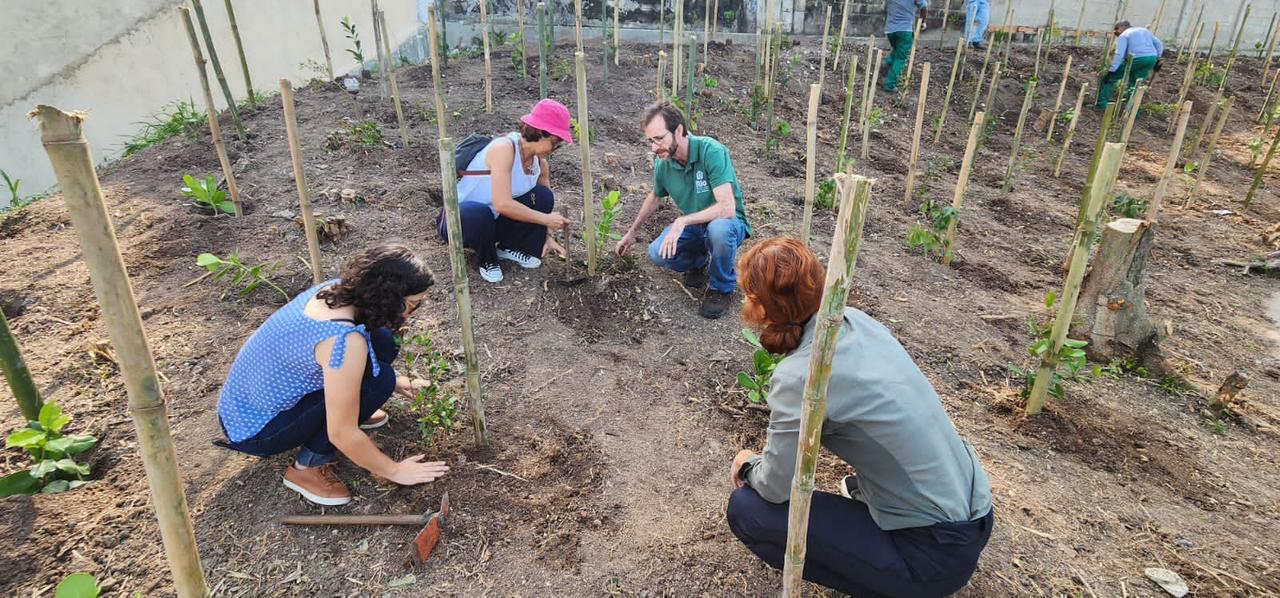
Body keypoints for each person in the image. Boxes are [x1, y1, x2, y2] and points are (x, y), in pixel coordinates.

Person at [725, 238, 994, 597]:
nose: (744, 303)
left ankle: (890, 581)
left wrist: (747, 465)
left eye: (748, 296)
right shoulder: (858, 322)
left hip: (932, 554)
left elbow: (774, 486)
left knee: (748, 509)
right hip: (975, 512)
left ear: (761, 308)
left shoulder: (802, 374)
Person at [217, 245, 449, 506]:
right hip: (257, 429)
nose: (412, 313)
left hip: (240, 407)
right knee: (378, 381)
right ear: (389, 299)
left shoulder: (336, 291)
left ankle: (354, 406)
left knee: (383, 341)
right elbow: (342, 432)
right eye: (413, 305)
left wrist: (397, 381)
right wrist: (395, 471)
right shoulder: (344, 341)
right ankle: (307, 467)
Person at [614, 102, 752, 319]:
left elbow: (727, 208)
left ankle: (722, 287)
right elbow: (655, 196)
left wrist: (682, 221)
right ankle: (699, 262)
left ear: (678, 130)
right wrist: (631, 233)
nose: (654, 147)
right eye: (650, 141)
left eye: (659, 139)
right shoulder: (664, 163)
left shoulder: (710, 151)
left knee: (718, 231)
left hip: (729, 223)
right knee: (657, 253)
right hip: (695, 226)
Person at [448, 99, 573, 283]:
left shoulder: (540, 164)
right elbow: (503, 203)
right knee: (478, 213)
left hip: (495, 222)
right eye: (555, 142)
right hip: (462, 222)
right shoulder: (504, 148)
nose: (555, 149)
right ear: (539, 132)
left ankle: (508, 247)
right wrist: (546, 219)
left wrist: (546, 235)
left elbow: (543, 206)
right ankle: (486, 259)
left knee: (543, 196)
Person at [1097, 21, 1164, 108]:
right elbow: (1159, 44)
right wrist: (1157, 58)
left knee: (1109, 79)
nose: (1115, 33)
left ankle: (1102, 104)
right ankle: (1131, 110)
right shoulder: (1144, 31)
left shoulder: (1124, 35)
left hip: (1137, 58)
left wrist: (1112, 70)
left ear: (1122, 27)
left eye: (1116, 30)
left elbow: (1119, 54)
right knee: (1136, 84)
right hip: (1151, 58)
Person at [882, 0, 928, 92]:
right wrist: (923, 22)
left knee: (897, 50)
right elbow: (924, 6)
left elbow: (885, 8)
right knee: (900, 58)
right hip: (905, 30)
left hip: (890, 30)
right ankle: (889, 85)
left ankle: (888, 61)